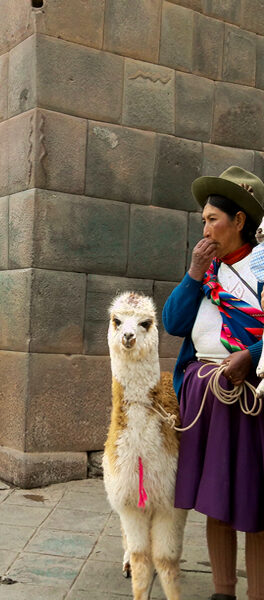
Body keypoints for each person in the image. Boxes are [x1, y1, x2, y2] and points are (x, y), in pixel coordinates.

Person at [163, 166, 264, 600]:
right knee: (217, 497)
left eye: (211, 219)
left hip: (252, 399)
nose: (203, 226)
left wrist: (253, 356)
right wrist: (192, 274)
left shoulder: (261, 270)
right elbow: (173, 323)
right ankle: (223, 592)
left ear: (239, 221)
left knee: (257, 504)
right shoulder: (206, 275)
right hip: (206, 398)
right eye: (203, 219)